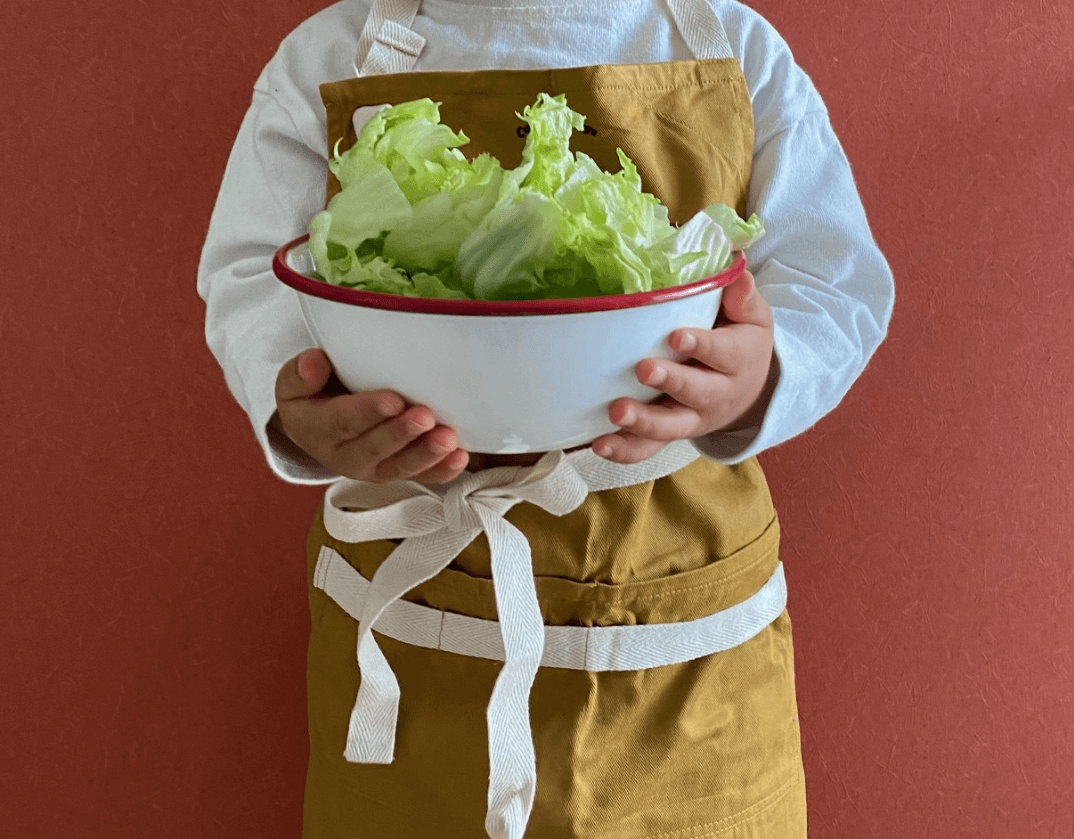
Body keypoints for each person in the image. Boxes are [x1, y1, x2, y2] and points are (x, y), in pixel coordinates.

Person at [197, 0, 894, 836]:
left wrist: (761, 378)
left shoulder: (734, 48)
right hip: (419, 646)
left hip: (688, 646)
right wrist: (298, 400)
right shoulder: (332, 55)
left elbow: (833, 276)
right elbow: (251, 272)